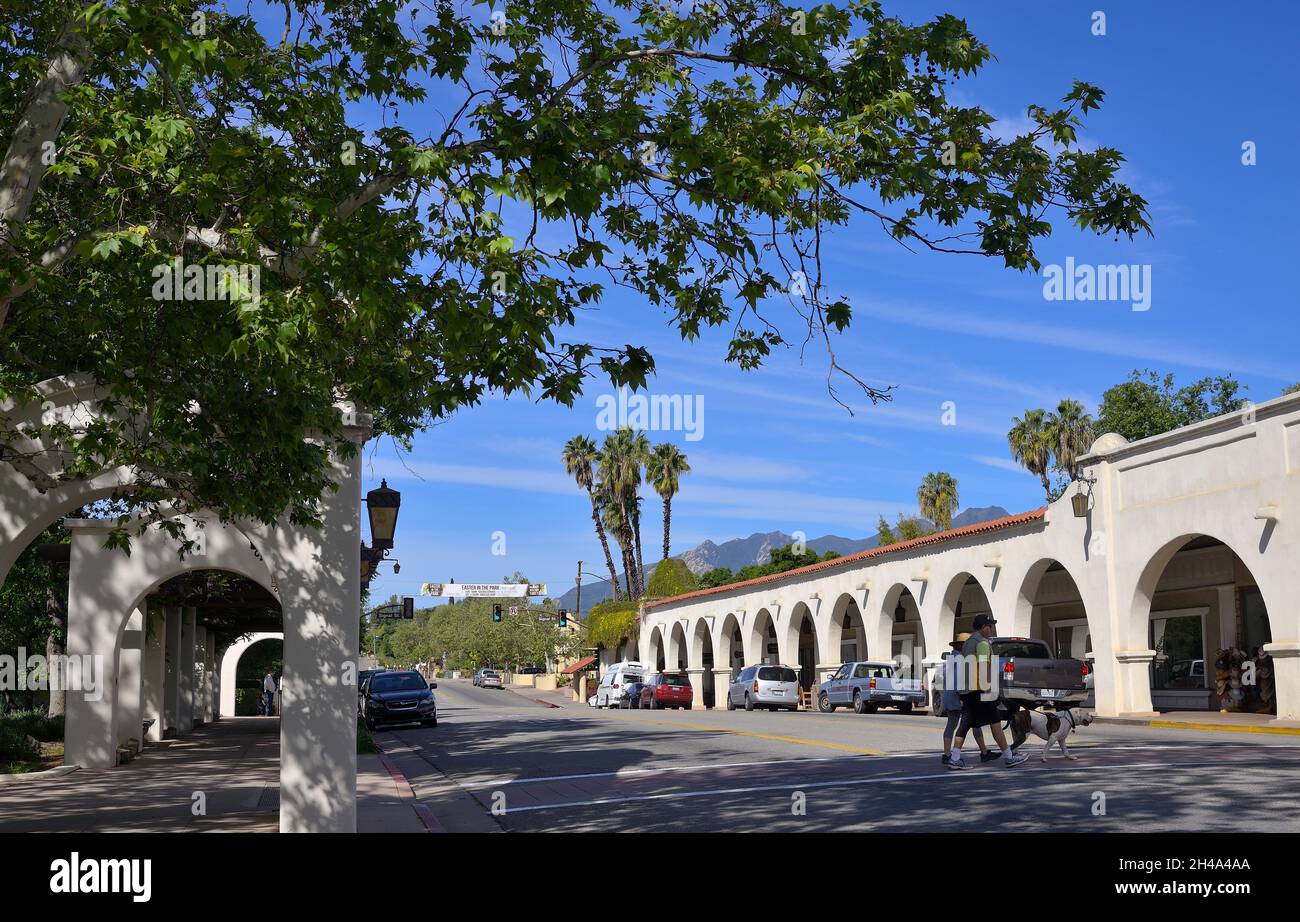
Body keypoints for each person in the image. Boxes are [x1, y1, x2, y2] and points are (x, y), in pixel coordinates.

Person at [948, 614, 1026, 769]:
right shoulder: (982, 643)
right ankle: (1009, 757)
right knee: (995, 721)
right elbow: (983, 666)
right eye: (989, 626)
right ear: (983, 627)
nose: (991, 629)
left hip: (968, 689)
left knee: (965, 723)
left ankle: (955, 758)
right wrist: (989, 687)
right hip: (980, 689)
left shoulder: (968, 643)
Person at [941, 633, 998, 765]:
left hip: (950, 696)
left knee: (956, 724)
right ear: (962, 646)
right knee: (972, 722)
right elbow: (959, 679)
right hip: (959, 696)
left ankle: (947, 754)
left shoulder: (951, 658)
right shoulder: (960, 659)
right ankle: (982, 752)